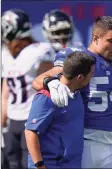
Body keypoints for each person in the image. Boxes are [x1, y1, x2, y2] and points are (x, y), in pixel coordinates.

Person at [33, 16, 112, 168]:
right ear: (95, 38)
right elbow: (38, 81)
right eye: (111, 41)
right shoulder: (80, 58)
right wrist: (49, 82)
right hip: (84, 141)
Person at [1, 9, 54, 169]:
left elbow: (49, 86)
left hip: (32, 119)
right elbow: (5, 93)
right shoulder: (5, 53)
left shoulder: (39, 51)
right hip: (12, 120)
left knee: (28, 163)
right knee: (11, 163)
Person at [25, 51, 96, 169]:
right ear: (80, 77)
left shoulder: (77, 92)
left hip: (71, 164)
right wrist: (39, 165)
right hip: (49, 165)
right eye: (91, 74)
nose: (92, 77)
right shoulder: (46, 97)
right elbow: (30, 132)